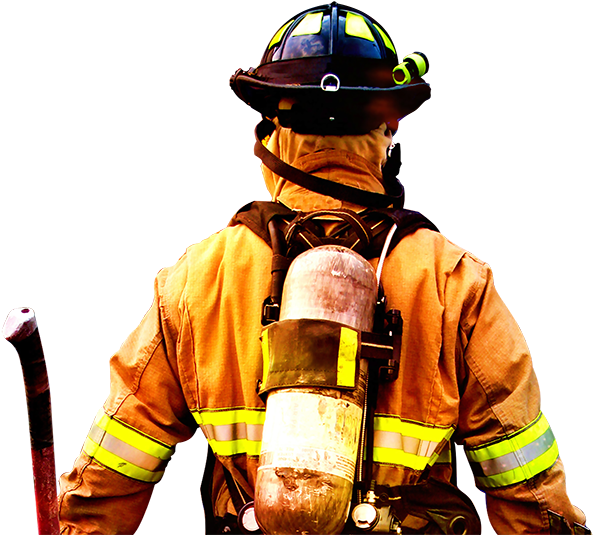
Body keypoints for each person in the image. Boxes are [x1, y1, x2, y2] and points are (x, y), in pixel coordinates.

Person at [58, 5, 587, 534]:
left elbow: (109, 478)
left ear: (271, 130)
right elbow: (530, 491)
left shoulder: (197, 279)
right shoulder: (452, 280)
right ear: (388, 127)